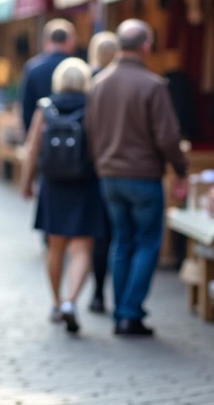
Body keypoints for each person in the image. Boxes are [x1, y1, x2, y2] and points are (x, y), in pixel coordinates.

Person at [86, 19, 188, 336]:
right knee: (146, 243)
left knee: (122, 242)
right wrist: (181, 170)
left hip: (109, 176)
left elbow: (90, 131)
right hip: (142, 176)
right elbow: (168, 137)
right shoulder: (152, 85)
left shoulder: (98, 84)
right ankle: (130, 312)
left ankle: (122, 310)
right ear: (146, 46)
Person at [21, 58, 107, 334]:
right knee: (82, 248)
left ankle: (57, 303)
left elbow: (32, 149)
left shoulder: (45, 108)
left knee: (55, 247)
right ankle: (72, 301)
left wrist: (26, 182)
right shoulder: (93, 107)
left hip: (53, 184)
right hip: (85, 183)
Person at [83, 30, 119, 315]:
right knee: (121, 235)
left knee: (100, 236)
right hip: (121, 166)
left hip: (94, 168)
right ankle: (118, 298)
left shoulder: (87, 82)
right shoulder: (121, 81)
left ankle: (97, 293)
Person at [20, 19, 77, 133]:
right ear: (70, 41)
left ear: (46, 41)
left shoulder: (33, 68)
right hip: (74, 135)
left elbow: (26, 108)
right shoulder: (76, 67)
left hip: (41, 135)